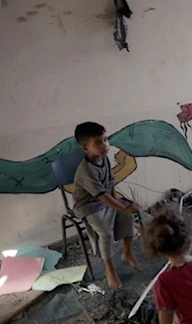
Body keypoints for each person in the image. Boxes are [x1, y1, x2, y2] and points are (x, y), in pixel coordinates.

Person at [72, 122, 141, 290]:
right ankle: (110, 269)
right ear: (85, 148)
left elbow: (110, 185)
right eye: (98, 142)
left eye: (105, 140)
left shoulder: (104, 159)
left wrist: (122, 205)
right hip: (89, 207)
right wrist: (122, 206)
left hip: (105, 200)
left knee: (127, 216)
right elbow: (101, 196)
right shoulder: (87, 170)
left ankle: (127, 253)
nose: (105, 145)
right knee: (105, 233)